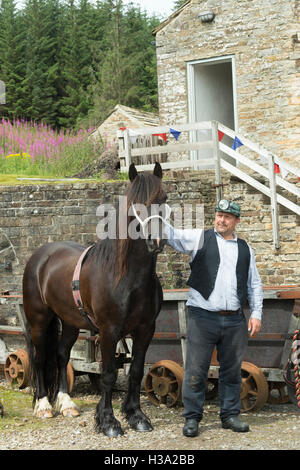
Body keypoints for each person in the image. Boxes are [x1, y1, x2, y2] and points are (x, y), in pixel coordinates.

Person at [164, 199, 263, 436]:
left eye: (227, 217)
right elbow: (173, 235)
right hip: (202, 317)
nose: (221, 220)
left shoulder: (246, 249)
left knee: (231, 372)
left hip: (234, 320)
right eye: (219, 215)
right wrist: (156, 215)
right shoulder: (201, 238)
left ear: (236, 221)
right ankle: (192, 419)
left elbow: (255, 284)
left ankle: (229, 415)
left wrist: (257, 314)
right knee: (196, 370)